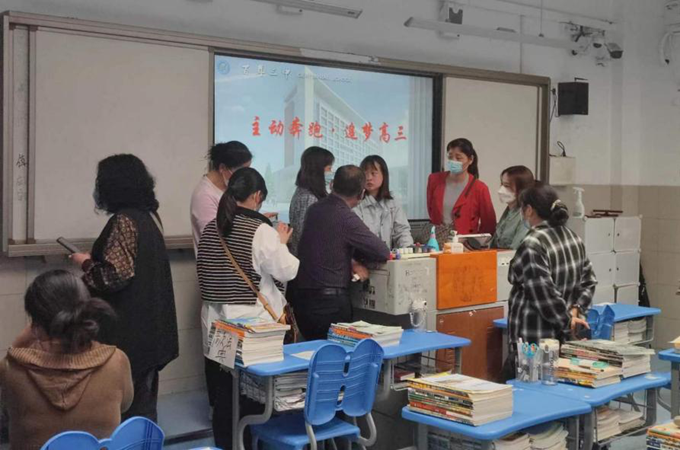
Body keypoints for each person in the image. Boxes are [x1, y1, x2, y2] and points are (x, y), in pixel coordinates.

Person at [71, 154, 178, 422]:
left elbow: (115, 276)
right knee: (143, 405)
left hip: (130, 334)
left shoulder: (124, 221)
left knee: (125, 408)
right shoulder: (150, 217)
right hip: (152, 330)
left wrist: (86, 263)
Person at [196, 167, 299, 449]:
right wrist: (281, 242)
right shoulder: (260, 230)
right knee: (255, 396)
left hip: (217, 324)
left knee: (225, 393)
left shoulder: (211, 228)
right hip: (252, 329)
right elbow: (287, 270)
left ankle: (225, 445)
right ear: (256, 196)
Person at [0, 270, 133, 450]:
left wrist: (16, 346)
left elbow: (5, 410)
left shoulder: (12, 369)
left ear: (36, 326)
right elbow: (125, 406)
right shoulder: (117, 361)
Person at [294, 165, 391, 341]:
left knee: (312, 353)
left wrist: (352, 260)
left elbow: (326, 246)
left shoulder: (314, 210)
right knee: (336, 354)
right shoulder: (346, 217)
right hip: (329, 305)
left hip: (302, 301)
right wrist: (356, 261)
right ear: (361, 194)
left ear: (332, 184)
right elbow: (381, 251)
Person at [507, 182, 597, 347]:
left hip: (536, 340)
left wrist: (568, 321)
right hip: (565, 338)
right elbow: (589, 281)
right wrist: (576, 310)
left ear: (529, 210)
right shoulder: (572, 237)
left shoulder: (532, 244)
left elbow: (544, 295)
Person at [426, 138, 496, 244]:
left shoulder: (480, 188)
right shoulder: (434, 180)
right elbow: (431, 209)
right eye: (450, 157)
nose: (453, 161)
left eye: (458, 158)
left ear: (470, 159)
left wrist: (476, 244)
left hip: (466, 244)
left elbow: (488, 223)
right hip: (437, 241)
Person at [190, 141, 253, 251]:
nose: (244, 176)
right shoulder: (204, 195)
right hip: (218, 260)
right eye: (241, 171)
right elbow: (214, 239)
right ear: (222, 168)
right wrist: (254, 229)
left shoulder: (228, 188)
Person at [354, 155, 413, 249]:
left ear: (384, 175)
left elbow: (402, 231)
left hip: (388, 255)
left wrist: (407, 250)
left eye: (373, 173)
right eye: (365, 174)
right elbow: (358, 235)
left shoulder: (393, 201)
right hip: (364, 255)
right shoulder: (356, 202)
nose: (369, 178)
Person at [288, 146, 334, 257]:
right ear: (318, 170)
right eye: (329, 168)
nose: (331, 172)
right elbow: (304, 236)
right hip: (309, 260)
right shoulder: (308, 198)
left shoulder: (306, 192)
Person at [490, 165, 535, 250]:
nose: (500, 190)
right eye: (501, 184)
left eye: (507, 186)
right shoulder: (509, 210)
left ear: (522, 189)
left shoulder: (525, 215)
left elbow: (515, 250)